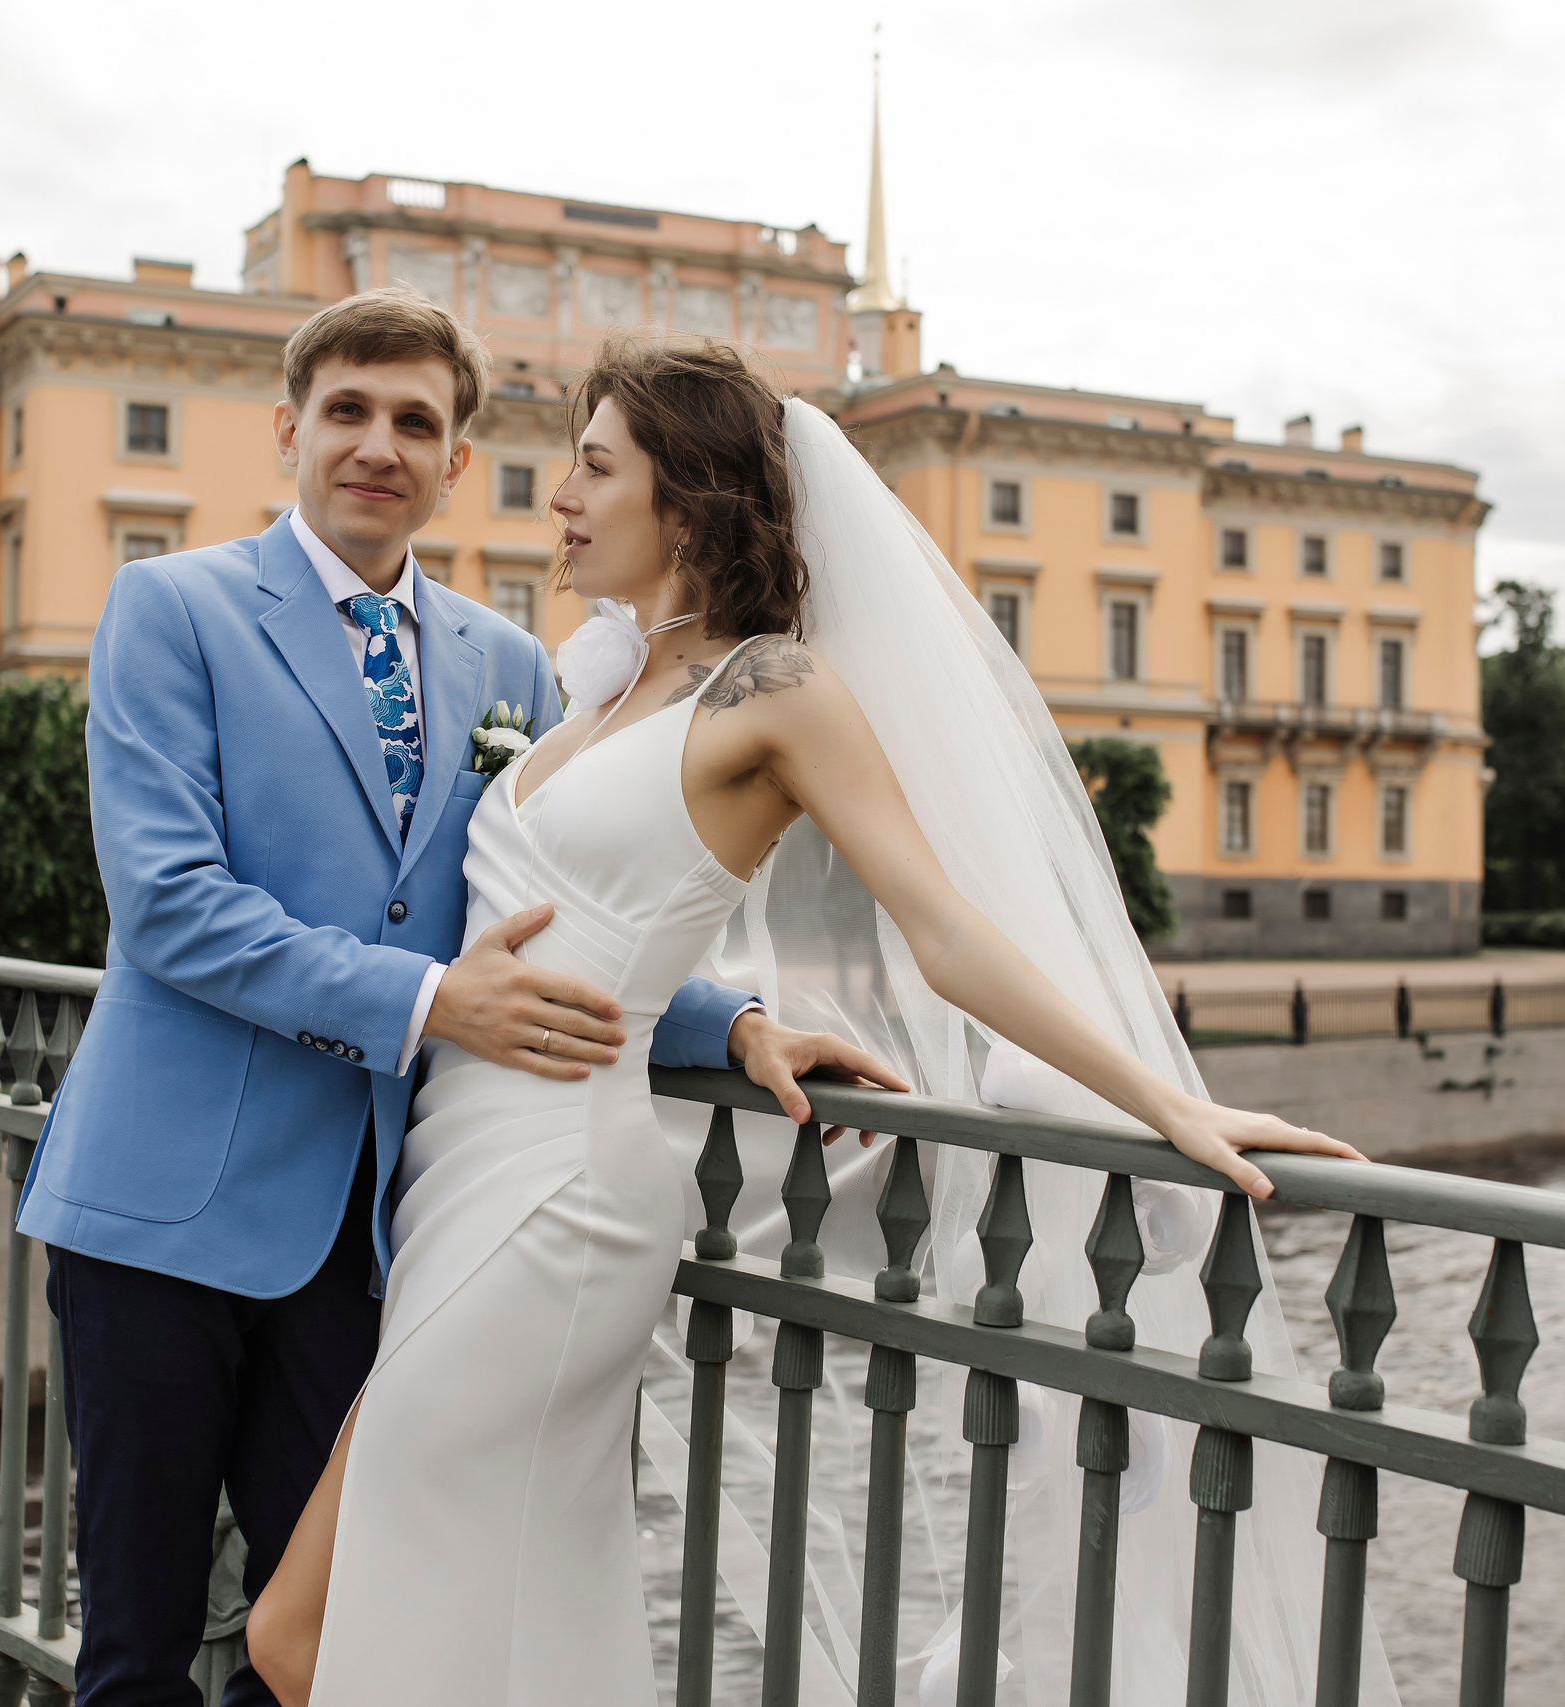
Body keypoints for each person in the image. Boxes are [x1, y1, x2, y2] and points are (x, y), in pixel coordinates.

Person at [244, 338, 1376, 1706]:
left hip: (555, 1202)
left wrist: (1169, 1103)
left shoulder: (772, 693)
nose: (560, 496)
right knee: (479, 1622)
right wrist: (738, 1027)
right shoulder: (597, 692)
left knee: (302, 1637)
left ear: (692, 500)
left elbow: (949, 932)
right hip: (456, 1182)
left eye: (597, 467)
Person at [13, 290, 893, 1707]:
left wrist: (726, 1023)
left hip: (373, 1229)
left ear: (455, 461)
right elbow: (172, 909)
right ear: (290, 430)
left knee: (324, 1645)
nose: (379, 445)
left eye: (416, 422)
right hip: (164, 1207)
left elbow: (546, 916)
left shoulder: (507, 666)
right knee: (139, 1645)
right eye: (348, 412)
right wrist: (427, 1003)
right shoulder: (169, 608)